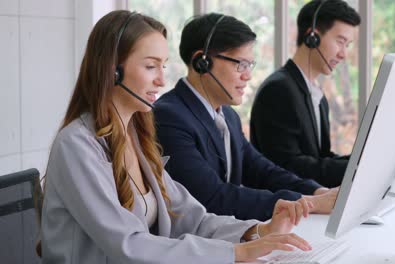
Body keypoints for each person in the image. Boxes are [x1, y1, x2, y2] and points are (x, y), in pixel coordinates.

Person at [40, 10, 314, 263]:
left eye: (163, 66)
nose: (161, 79)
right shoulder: (77, 145)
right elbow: (127, 245)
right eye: (151, 66)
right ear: (113, 70)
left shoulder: (135, 137)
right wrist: (235, 253)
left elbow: (190, 217)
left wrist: (256, 231)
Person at [153, 13, 338, 222]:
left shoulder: (228, 116)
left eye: (250, 65)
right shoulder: (169, 117)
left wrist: (318, 192)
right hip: (195, 246)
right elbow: (211, 197)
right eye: (240, 64)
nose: (247, 75)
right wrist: (303, 203)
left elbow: (261, 170)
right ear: (201, 62)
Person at [250, 0, 361, 188]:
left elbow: (320, 159)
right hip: (286, 209)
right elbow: (288, 166)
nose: (343, 54)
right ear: (312, 37)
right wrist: (358, 168)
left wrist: (362, 162)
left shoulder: (316, 94)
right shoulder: (278, 90)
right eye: (340, 42)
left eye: (347, 45)